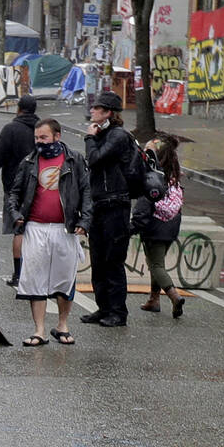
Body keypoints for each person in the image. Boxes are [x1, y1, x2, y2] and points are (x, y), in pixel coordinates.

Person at [7, 116, 88, 346]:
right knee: (35, 279)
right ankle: (39, 330)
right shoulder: (29, 161)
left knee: (65, 279)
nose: (39, 142)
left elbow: (86, 191)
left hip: (65, 229)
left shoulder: (74, 160)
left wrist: (86, 220)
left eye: (44, 137)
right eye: (36, 138)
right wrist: (16, 215)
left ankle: (62, 325)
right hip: (35, 228)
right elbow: (14, 193)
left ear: (57, 136)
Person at [82, 91, 134, 328]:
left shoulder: (118, 136)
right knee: (98, 260)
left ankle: (118, 312)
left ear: (108, 113)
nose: (92, 111)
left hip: (116, 205)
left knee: (113, 261)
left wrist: (89, 138)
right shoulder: (103, 134)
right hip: (100, 204)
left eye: (97, 108)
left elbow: (95, 159)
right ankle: (103, 308)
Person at [0, 96, 40, 286]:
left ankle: (19, 274)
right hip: (41, 185)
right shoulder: (43, 129)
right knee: (38, 229)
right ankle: (37, 272)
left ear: (19, 109)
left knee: (19, 230)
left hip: (16, 187)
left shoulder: (11, 130)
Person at [135, 136, 186, 317]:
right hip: (171, 226)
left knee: (156, 265)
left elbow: (144, 205)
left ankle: (174, 296)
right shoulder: (173, 175)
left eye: (149, 150)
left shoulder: (153, 176)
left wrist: (135, 225)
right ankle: (153, 300)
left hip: (154, 227)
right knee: (157, 263)